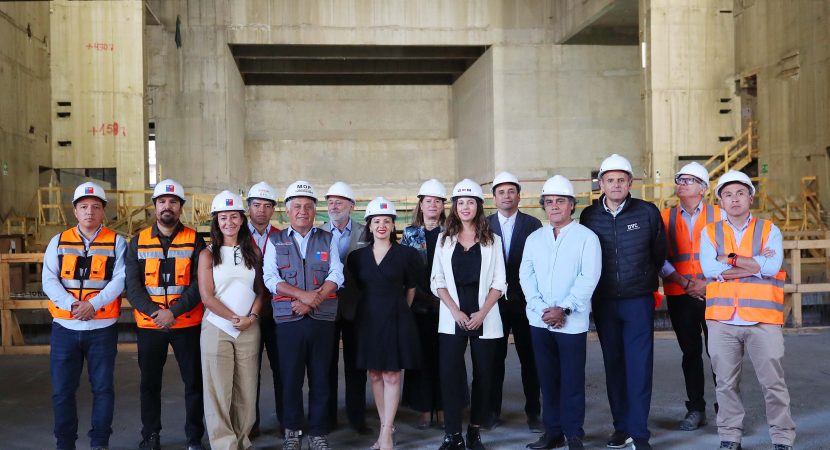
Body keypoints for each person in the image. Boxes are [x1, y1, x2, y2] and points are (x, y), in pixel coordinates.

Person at [700, 170, 793, 450]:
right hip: (722, 320)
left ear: (750, 197)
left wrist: (726, 260)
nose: (734, 199)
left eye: (740, 193)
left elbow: (771, 268)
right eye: (727, 194)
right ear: (720, 202)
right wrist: (754, 264)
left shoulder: (769, 229)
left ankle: (782, 438)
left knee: (773, 383)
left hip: (763, 320)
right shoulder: (710, 231)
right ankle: (730, 437)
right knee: (725, 384)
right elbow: (708, 269)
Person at [579, 155, 666, 450]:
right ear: (601, 183)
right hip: (604, 302)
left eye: (621, 180)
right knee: (613, 365)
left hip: (637, 301)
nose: (615, 185)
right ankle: (621, 428)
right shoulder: (589, 216)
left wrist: (643, 280)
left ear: (630, 182)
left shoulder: (647, 213)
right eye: (610, 180)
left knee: (639, 365)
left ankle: (639, 433)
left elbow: (659, 253)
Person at [520, 176, 601, 450]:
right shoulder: (534, 238)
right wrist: (542, 308)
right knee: (547, 379)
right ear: (544, 206)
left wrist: (564, 308)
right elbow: (525, 276)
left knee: (572, 380)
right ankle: (552, 432)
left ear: (571, 206)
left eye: (560, 201)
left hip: (572, 322)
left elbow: (588, 277)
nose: (554, 206)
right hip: (539, 320)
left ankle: (573, 433)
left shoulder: (586, 238)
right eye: (549, 202)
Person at [43, 182, 125, 450]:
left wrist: (94, 305)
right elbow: (49, 279)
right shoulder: (58, 241)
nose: (90, 212)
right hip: (65, 329)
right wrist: (72, 305)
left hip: (102, 329)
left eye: (96, 207)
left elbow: (120, 279)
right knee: (62, 391)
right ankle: (65, 443)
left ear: (104, 212)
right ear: (75, 211)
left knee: (103, 390)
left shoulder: (117, 242)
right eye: (84, 207)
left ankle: (99, 443)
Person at [263, 181, 344, 450]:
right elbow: (271, 278)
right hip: (288, 322)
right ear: (287, 211)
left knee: (321, 378)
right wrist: (302, 296)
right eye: (296, 206)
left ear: (314, 211)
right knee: (291, 378)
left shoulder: (327, 238)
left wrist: (314, 299)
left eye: (308, 206)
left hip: (322, 320)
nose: (302, 211)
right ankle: (293, 432)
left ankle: (318, 432)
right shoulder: (276, 240)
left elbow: (336, 274)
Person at [126, 179, 207, 450]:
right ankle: (151, 434)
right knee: (149, 384)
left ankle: (194, 438)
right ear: (154, 207)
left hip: (186, 323)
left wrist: (173, 312)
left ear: (181, 207)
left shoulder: (195, 240)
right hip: (150, 326)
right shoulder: (137, 242)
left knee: (194, 382)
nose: (167, 206)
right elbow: (133, 286)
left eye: (173, 202)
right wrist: (155, 313)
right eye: (162, 202)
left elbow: (200, 284)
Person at [432, 179, 506, 450]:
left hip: (484, 316)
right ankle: (453, 435)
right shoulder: (444, 239)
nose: (465, 207)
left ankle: (474, 431)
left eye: (470, 202)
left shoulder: (492, 240)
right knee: (449, 374)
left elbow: (500, 282)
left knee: (485, 374)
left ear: (478, 206)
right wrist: (455, 311)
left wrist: (482, 313)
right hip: (453, 316)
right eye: (460, 202)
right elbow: (436, 280)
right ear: (454, 207)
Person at [346, 197, 422, 450]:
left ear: (393, 225)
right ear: (368, 225)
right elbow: (355, 289)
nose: (381, 225)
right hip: (367, 320)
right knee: (375, 374)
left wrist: (399, 311)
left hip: (396, 317)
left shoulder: (406, 254)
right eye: (376, 221)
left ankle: (387, 433)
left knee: (391, 374)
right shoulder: (357, 258)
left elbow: (411, 288)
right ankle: (383, 428)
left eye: (386, 221)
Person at [197, 191, 267, 450]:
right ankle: (223, 444)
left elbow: (261, 291)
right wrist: (234, 318)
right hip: (217, 327)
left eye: (234, 217)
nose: (229, 222)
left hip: (249, 328)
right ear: (216, 221)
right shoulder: (208, 254)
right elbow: (207, 296)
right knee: (218, 390)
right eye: (223, 217)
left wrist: (252, 317)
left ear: (241, 219)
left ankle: (242, 440)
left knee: (246, 390)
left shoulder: (253, 251)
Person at [659, 162, 725, 431]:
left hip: (716, 292)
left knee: (721, 354)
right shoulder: (664, 217)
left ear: (703, 188)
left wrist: (708, 283)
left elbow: (732, 252)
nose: (682, 183)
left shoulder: (720, 215)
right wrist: (685, 282)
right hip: (680, 293)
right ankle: (696, 408)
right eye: (680, 179)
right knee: (690, 353)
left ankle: (726, 410)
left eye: (689, 180)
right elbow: (658, 257)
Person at [486, 171, 542, 432]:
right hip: (493, 304)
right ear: (494, 197)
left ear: (519, 196)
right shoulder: (483, 225)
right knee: (494, 360)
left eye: (511, 191)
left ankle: (534, 412)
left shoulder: (533, 225)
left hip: (524, 302)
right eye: (501, 192)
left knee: (530, 359)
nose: (506, 196)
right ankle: (492, 411)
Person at [321, 181, 370, 435]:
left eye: (339, 201)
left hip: (355, 308)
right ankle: (327, 417)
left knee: (356, 366)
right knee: (325, 365)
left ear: (352, 206)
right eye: (330, 201)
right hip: (324, 308)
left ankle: (356, 417)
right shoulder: (317, 232)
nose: (333, 205)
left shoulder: (366, 232)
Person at [401, 179, 448, 430]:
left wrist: (441, 298)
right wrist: (421, 297)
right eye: (428, 201)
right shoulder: (410, 233)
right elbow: (404, 272)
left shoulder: (451, 232)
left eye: (437, 201)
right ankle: (423, 408)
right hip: (418, 306)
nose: (432, 205)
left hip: (447, 306)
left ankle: (442, 406)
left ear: (443, 206)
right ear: (421, 204)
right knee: (421, 358)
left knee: (444, 357)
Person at [245, 181, 283, 436]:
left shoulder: (281, 236)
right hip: (247, 313)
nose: (261, 210)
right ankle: (251, 422)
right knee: (249, 371)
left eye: (267, 206)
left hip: (278, 313)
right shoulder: (236, 235)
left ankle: (286, 421)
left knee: (283, 369)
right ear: (248, 208)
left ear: (273, 210)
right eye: (256, 205)